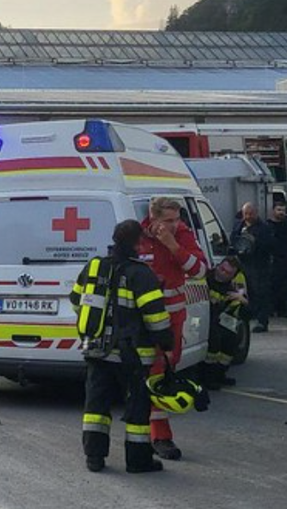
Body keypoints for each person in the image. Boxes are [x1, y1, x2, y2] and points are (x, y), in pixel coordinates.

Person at [72, 219, 174, 474]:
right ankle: (138, 461)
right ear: (137, 243)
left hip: (95, 349)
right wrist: (167, 343)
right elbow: (155, 317)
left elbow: (76, 301)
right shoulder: (141, 274)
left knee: (96, 406)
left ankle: (94, 458)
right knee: (137, 409)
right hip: (133, 355)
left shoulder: (95, 267)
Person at [138, 196, 208, 460]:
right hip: (143, 318)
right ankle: (156, 435)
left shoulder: (181, 234)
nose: (174, 224)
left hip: (173, 316)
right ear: (153, 217)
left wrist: (173, 245)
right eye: (168, 220)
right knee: (151, 374)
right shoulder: (138, 234)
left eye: (177, 219)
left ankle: (156, 434)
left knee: (164, 370)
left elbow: (200, 270)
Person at [204, 256, 249, 388]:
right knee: (214, 344)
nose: (223, 273)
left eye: (228, 273)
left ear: (233, 275)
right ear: (218, 266)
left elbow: (248, 305)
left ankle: (220, 374)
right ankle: (208, 378)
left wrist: (241, 298)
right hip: (207, 317)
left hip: (225, 318)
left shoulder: (233, 286)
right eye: (222, 269)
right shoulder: (207, 278)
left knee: (231, 343)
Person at [232, 202, 274, 332]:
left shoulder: (264, 228)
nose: (248, 216)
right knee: (244, 292)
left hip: (259, 266)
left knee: (261, 293)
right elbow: (233, 239)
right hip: (242, 264)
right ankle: (247, 316)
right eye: (246, 214)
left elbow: (270, 246)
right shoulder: (238, 225)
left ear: (256, 213)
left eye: (251, 213)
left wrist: (254, 243)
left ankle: (262, 321)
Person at [268, 204, 287, 322]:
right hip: (272, 260)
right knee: (272, 286)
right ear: (273, 211)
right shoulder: (268, 226)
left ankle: (283, 309)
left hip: (285, 260)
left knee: (285, 287)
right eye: (279, 209)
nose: (281, 212)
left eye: (283, 210)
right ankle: (272, 308)